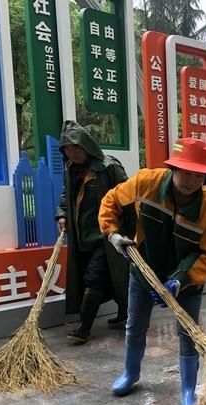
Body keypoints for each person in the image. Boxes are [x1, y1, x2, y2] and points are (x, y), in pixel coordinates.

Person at [98, 138, 206, 405]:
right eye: (186, 172)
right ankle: (131, 373)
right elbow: (111, 200)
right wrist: (114, 234)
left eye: (198, 174)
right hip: (144, 270)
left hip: (186, 280)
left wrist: (179, 281)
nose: (191, 180)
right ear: (173, 168)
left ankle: (188, 390)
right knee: (135, 324)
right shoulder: (147, 182)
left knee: (188, 332)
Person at [55, 120, 129, 344]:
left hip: (106, 235)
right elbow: (66, 195)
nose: (73, 153)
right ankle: (126, 314)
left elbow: (127, 196)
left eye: (76, 147)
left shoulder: (108, 167)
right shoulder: (71, 169)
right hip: (83, 235)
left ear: (87, 145)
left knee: (95, 277)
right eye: (67, 149)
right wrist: (62, 214)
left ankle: (83, 328)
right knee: (106, 277)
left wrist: (125, 231)